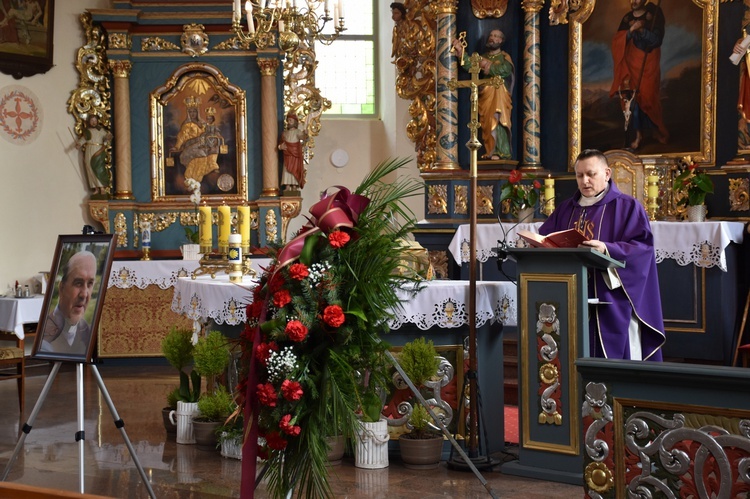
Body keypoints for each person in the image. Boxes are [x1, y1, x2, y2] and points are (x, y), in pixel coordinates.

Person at [539, 149, 665, 361]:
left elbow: (643, 249)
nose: (585, 181)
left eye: (591, 174)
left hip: (611, 301)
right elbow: (546, 239)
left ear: (607, 174)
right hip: (570, 298)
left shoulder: (627, 207)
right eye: (579, 175)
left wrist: (608, 249)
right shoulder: (565, 209)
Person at [609, 0, 668, 151]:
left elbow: (656, 40)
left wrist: (642, 31)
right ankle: (638, 135)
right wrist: (630, 31)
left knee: (648, 96)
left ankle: (656, 129)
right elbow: (617, 42)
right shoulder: (627, 18)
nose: (633, 1)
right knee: (632, 98)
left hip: (648, 62)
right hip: (630, 64)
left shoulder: (654, 14)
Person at [452, 29, 514, 160]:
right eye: (491, 35)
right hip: (485, 94)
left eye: (496, 36)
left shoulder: (504, 57)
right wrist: (461, 52)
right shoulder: (481, 57)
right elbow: (470, 64)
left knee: (498, 119)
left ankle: (501, 151)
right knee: (486, 123)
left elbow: (505, 70)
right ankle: (490, 150)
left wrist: (489, 66)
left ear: (501, 41)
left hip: (500, 94)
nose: (492, 38)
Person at [40, 251, 98, 356]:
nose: (84, 294)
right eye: (78, 283)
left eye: (90, 284)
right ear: (62, 287)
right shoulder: (46, 337)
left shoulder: (88, 332)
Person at [78, 114, 112, 197]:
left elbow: (107, 138)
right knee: (90, 168)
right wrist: (79, 144)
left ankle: (102, 187)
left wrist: (108, 138)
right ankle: (95, 188)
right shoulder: (88, 131)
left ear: (97, 121)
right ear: (89, 121)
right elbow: (83, 139)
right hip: (89, 150)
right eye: (92, 121)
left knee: (99, 168)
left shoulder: (101, 130)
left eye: (95, 121)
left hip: (98, 150)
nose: (93, 122)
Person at [278, 112, 307, 191]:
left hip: (295, 154)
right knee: (287, 169)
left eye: (291, 120)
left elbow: (302, 137)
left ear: (295, 122)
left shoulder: (297, 131)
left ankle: (294, 185)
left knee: (295, 169)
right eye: (288, 120)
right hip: (287, 153)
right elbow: (281, 143)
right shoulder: (285, 133)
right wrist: (280, 147)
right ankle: (287, 186)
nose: (289, 122)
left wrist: (305, 134)